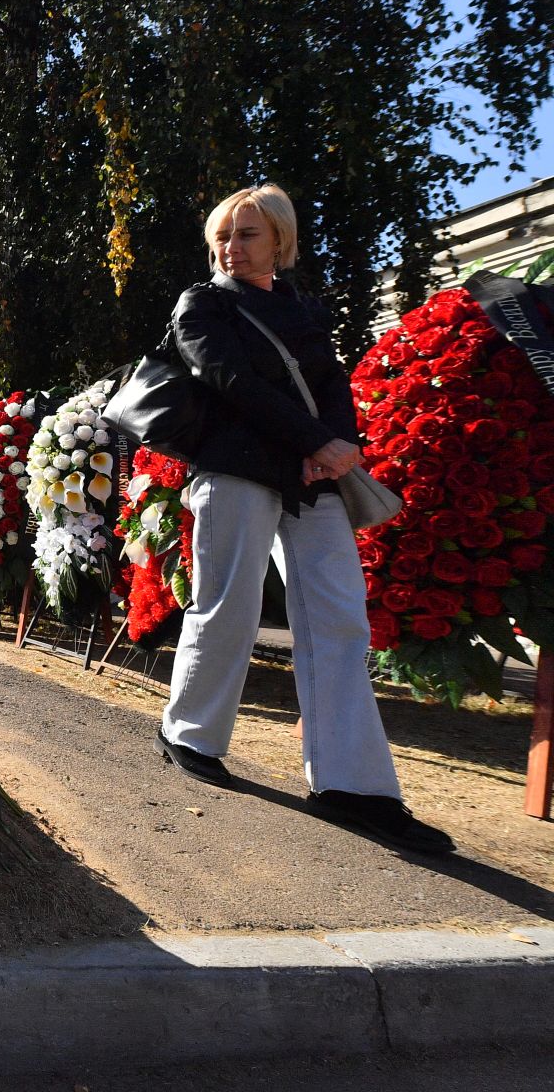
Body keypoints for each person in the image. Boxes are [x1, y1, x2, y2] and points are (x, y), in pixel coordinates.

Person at [157, 183, 452, 855]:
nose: (232, 247)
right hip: (236, 470)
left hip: (312, 477)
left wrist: (338, 448)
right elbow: (231, 380)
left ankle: (352, 786)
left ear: (280, 242)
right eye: (223, 236)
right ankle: (190, 733)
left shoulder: (305, 312)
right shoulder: (203, 305)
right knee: (228, 604)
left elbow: (330, 387)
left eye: (247, 234)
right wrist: (315, 443)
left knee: (340, 617)